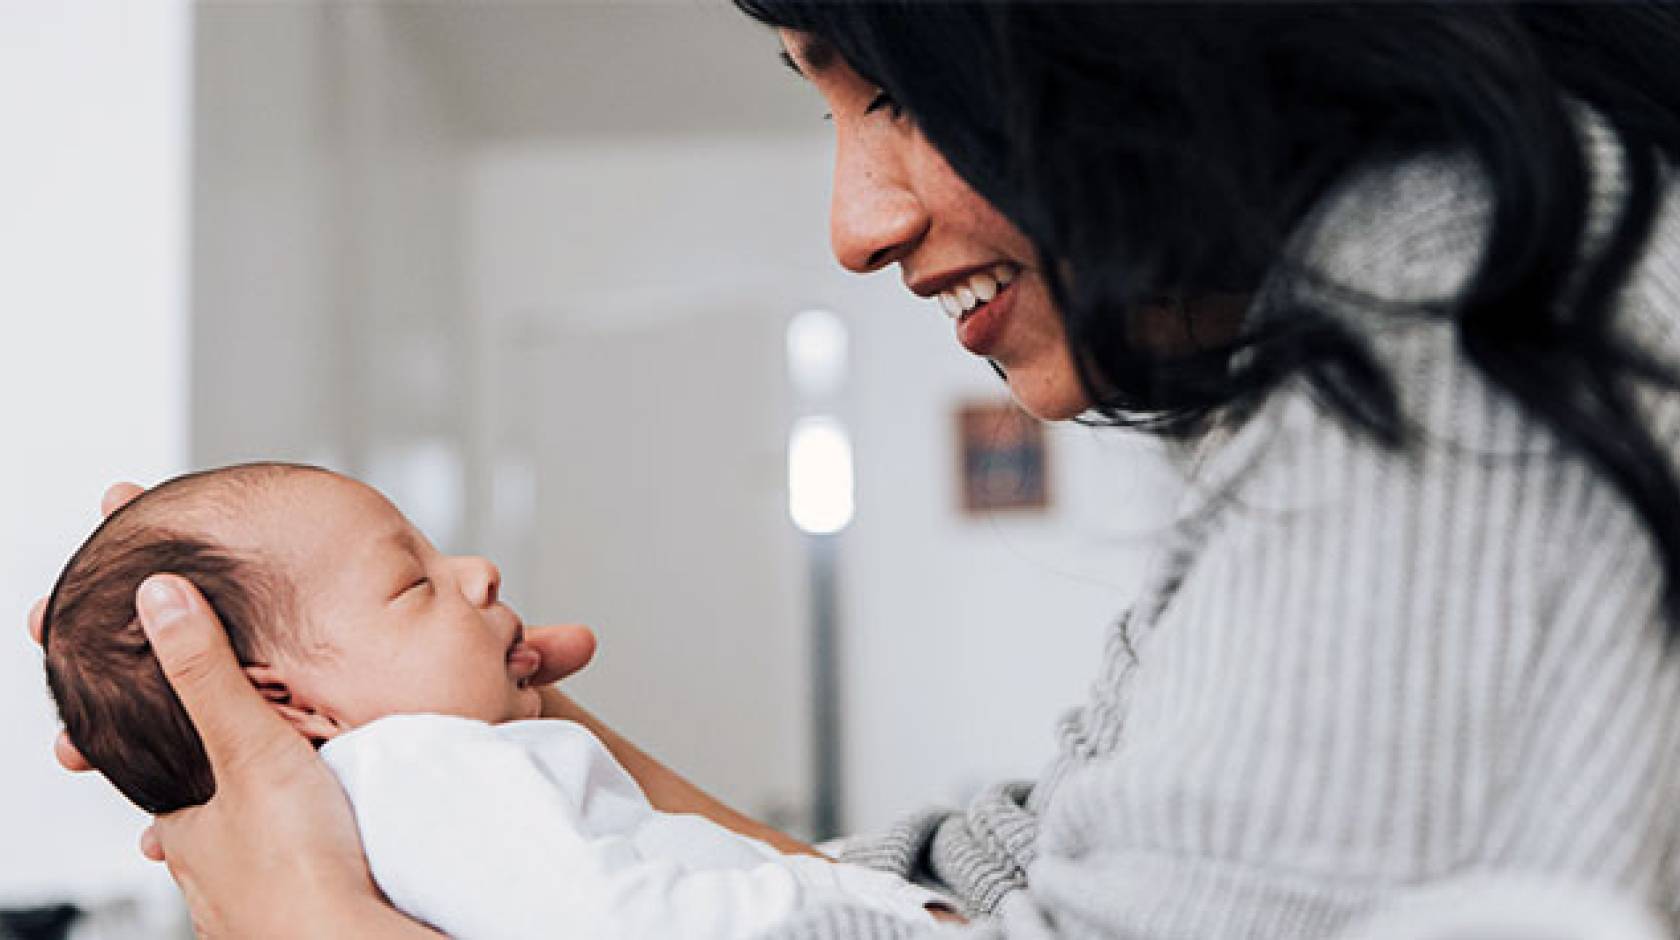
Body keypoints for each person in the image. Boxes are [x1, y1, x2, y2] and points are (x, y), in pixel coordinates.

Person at [24, 4, 1680, 937]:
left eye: (893, 94)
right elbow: (1007, 883)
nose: (857, 223)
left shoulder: (1459, 298)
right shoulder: (1318, 375)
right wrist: (459, 709)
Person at [40, 463, 940, 938]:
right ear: (293, 705)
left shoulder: (401, 790)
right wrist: (869, 912)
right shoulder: (415, 768)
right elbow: (611, 930)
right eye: (412, 583)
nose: (476, 572)